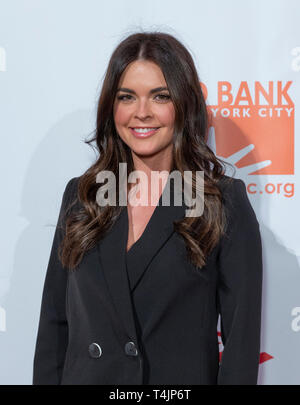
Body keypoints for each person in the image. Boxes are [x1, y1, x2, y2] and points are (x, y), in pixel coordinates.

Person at [32, 32, 263, 385]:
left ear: (184, 104)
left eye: (160, 96)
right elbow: (54, 327)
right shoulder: (82, 197)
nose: (142, 113)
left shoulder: (222, 201)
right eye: (127, 97)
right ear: (112, 107)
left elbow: (240, 351)